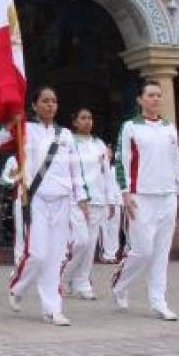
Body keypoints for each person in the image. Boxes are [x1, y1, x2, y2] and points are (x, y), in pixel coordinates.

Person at [0, 86, 88, 326]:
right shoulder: (25, 129)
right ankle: (17, 287)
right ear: (34, 105)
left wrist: (82, 197)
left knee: (55, 256)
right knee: (37, 253)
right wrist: (11, 125)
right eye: (45, 101)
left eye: (53, 101)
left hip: (62, 199)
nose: (50, 105)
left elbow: (76, 168)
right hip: (36, 199)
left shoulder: (65, 135)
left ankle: (52, 309)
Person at [112, 80, 179, 321]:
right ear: (140, 100)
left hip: (168, 196)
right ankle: (120, 284)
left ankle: (158, 301)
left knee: (161, 252)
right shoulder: (130, 127)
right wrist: (125, 193)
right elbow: (121, 161)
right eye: (150, 95)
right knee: (143, 250)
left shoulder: (169, 128)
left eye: (158, 95)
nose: (155, 99)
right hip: (141, 196)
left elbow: (176, 162)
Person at [62, 107, 115, 300]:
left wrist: (111, 200)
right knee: (80, 241)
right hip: (76, 200)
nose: (87, 121)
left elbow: (107, 172)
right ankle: (64, 277)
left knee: (91, 244)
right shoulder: (68, 142)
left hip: (98, 199)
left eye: (90, 118)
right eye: (83, 118)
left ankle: (83, 282)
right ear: (74, 121)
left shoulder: (99, 144)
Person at [0, 154, 24, 266]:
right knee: (19, 229)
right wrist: (14, 179)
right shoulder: (13, 159)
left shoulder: (36, 154)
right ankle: (19, 260)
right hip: (20, 197)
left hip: (37, 198)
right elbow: (5, 177)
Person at [100, 145, 122, 264]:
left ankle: (112, 254)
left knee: (114, 228)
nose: (108, 154)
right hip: (102, 202)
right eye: (105, 153)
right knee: (104, 228)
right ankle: (105, 253)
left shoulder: (116, 169)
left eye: (109, 152)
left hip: (116, 202)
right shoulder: (98, 170)